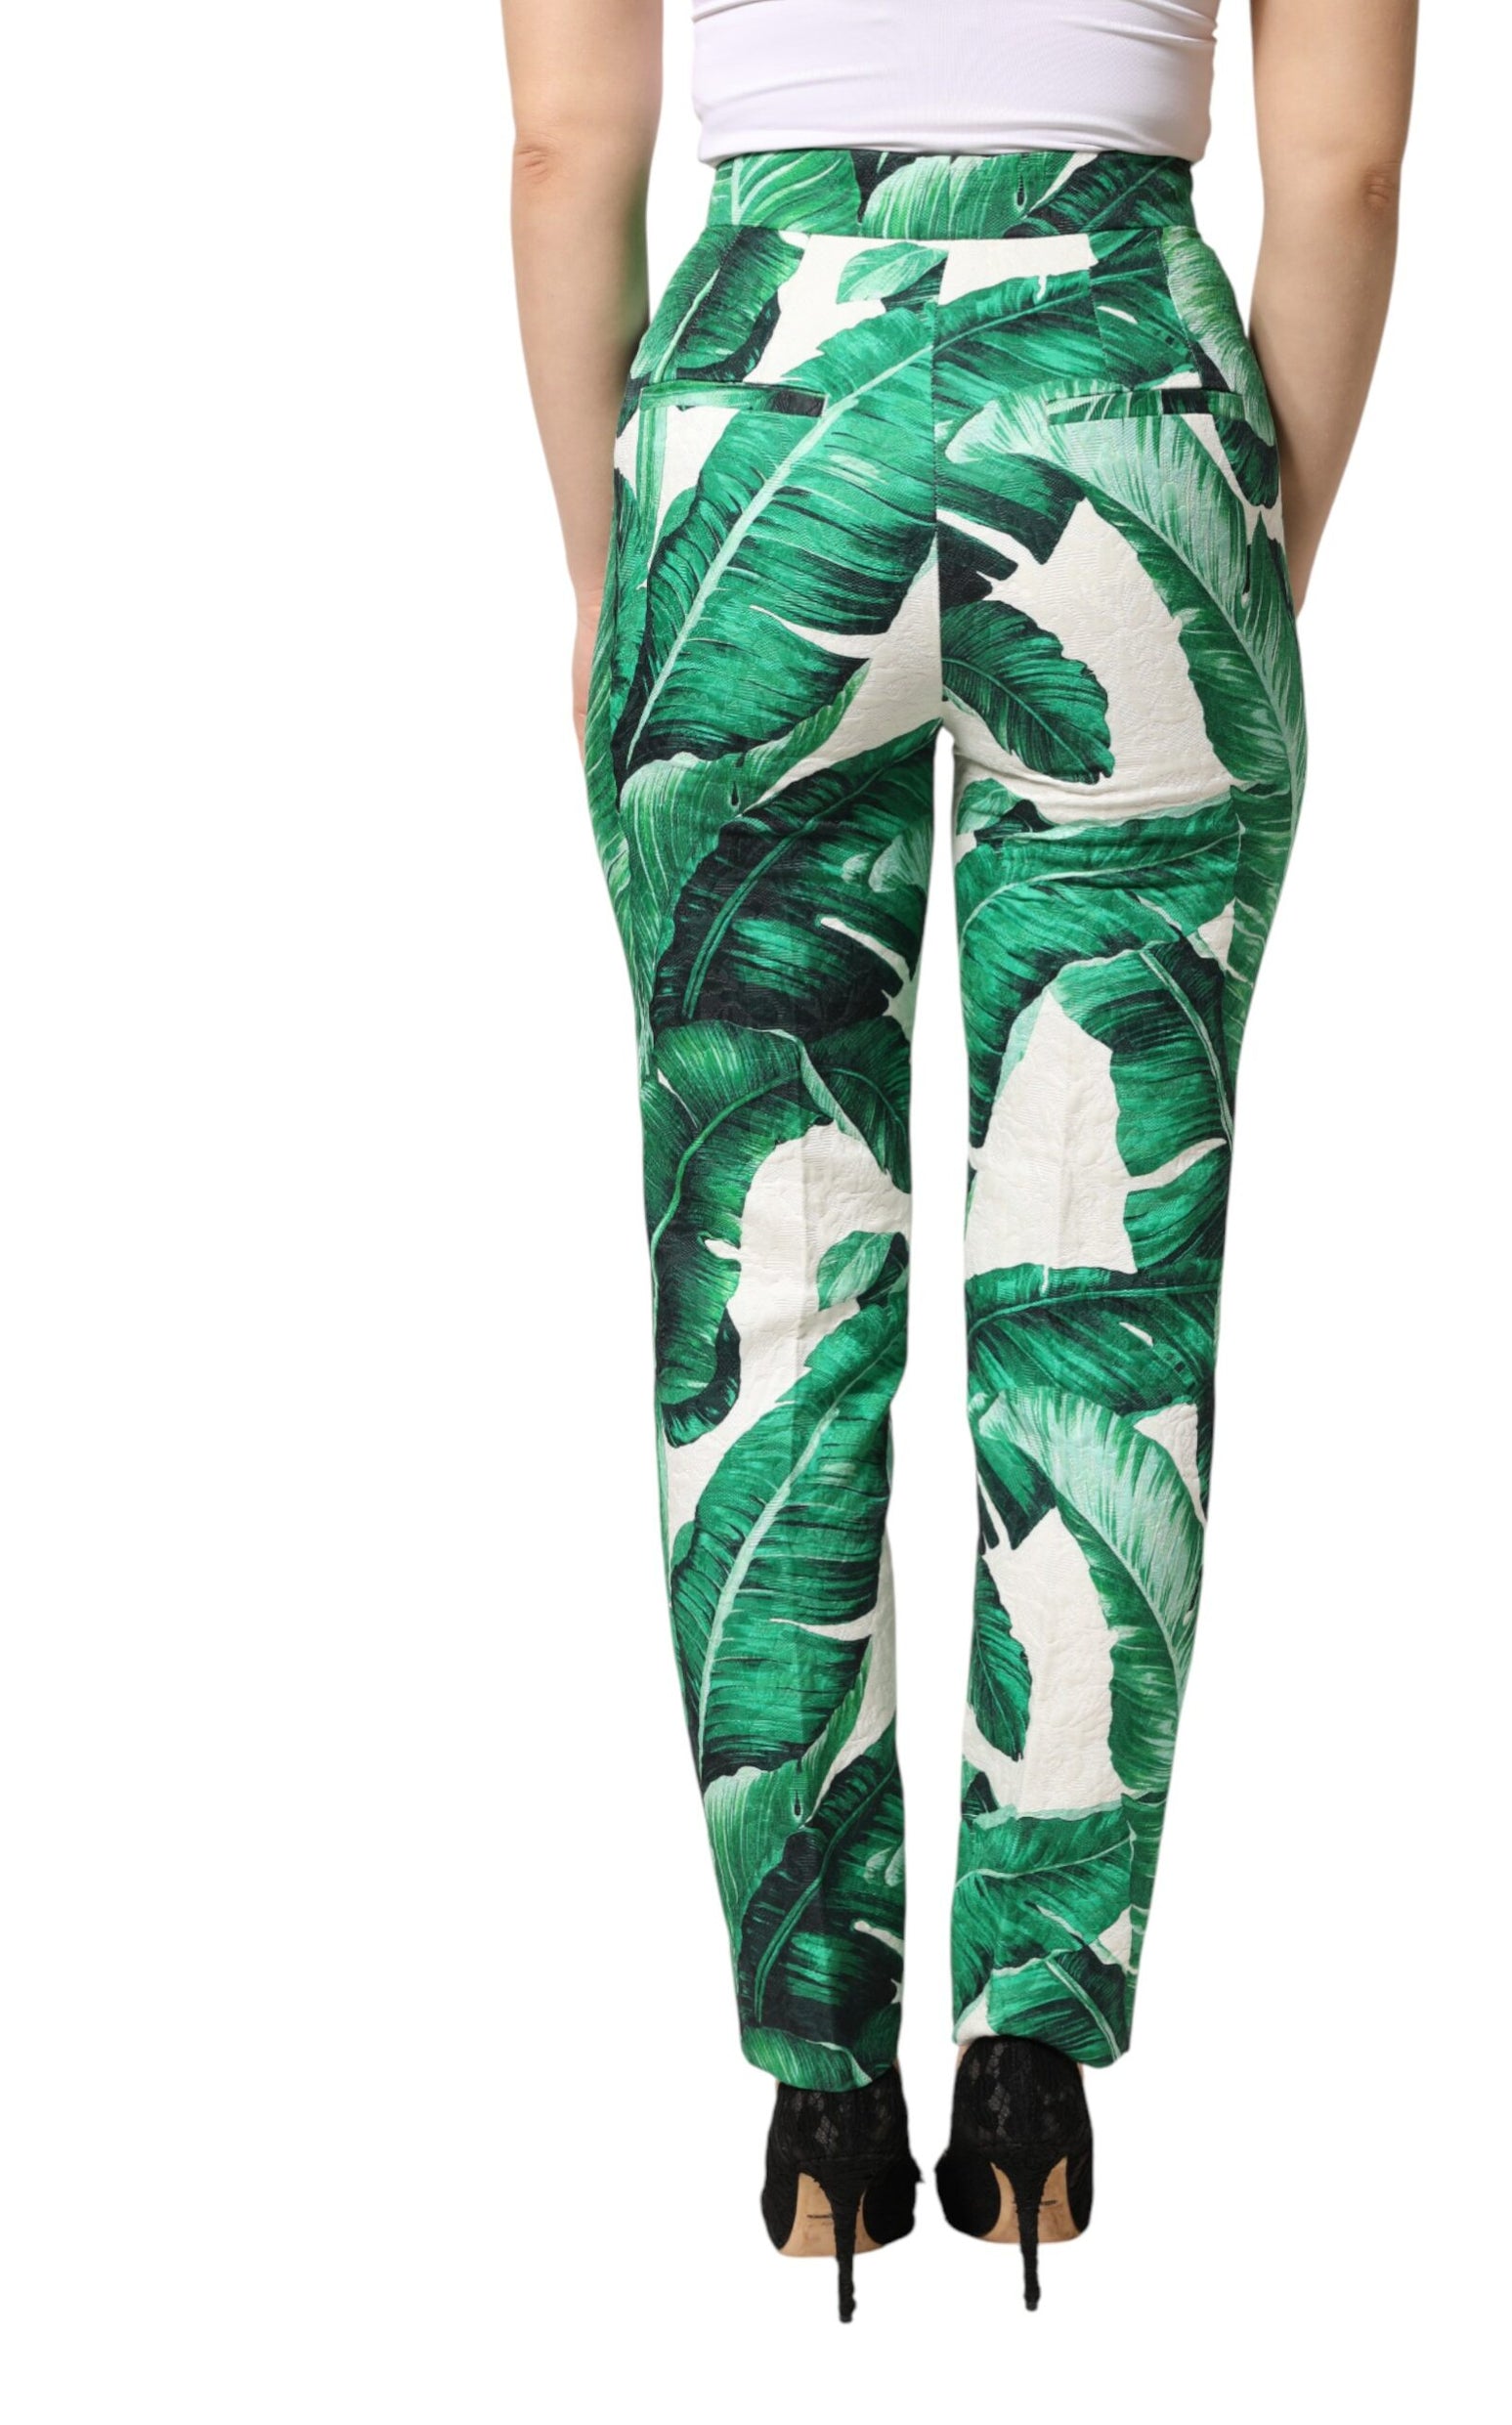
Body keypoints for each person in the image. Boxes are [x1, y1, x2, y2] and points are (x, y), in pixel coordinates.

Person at [503, 0, 1416, 2320]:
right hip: (1120, 389)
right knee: (1100, 1263)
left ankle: (820, 2091)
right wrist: (1233, 559)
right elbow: (1337, 177)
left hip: (758, 404)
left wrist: (610, 576)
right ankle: (1030, 2068)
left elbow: (565, 148)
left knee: (765, 1272)